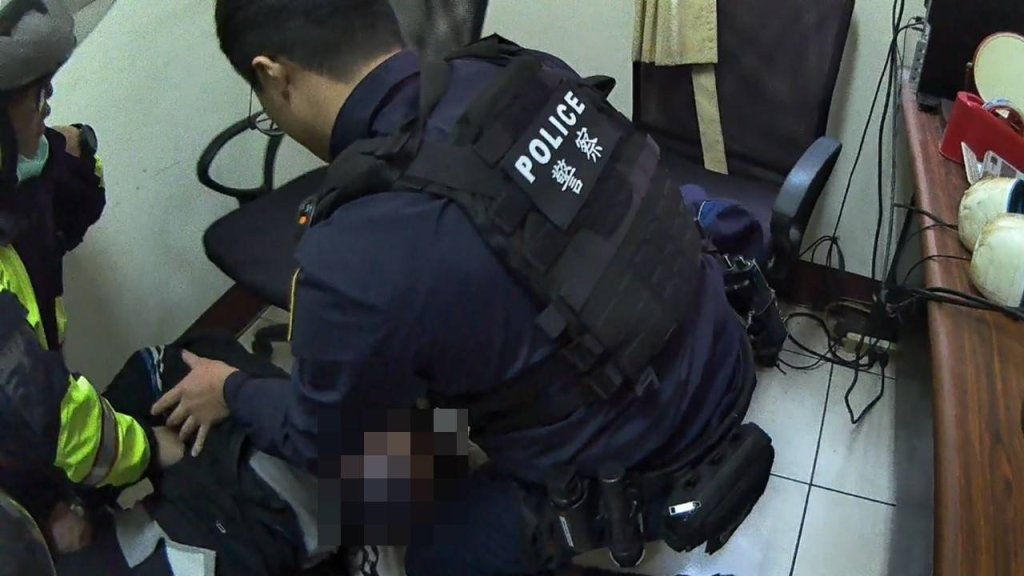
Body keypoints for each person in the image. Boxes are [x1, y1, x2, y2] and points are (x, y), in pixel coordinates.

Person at [158, 2, 773, 575]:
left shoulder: (355, 251)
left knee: (427, 546)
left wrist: (232, 389)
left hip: (646, 463)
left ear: (275, 75)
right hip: (721, 348)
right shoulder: (520, 70)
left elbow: (322, 441)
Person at [0, 0, 180, 556]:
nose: (49, 106)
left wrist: (74, 150)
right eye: (38, 96)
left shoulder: (20, 183)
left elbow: (73, 215)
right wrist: (150, 450)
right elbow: (54, 421)